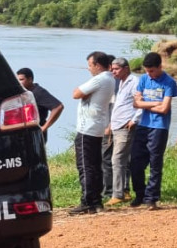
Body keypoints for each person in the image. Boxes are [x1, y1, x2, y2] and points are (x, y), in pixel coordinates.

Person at [130, 52, 177, 210]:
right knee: (136, 162)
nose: (149, 74)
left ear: (160, 67)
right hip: (143, 125)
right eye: (146, 70)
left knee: (155, 163)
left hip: (159, 127)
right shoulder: (144, 79)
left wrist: (145, 103)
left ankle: (151, 198)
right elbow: (135, 104)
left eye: (152, 71)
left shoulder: (169, 83)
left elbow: (164, 109)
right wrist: (154, 103)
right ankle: (140, 194)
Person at [68, 51, 115, 215]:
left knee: (85, 165)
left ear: (97, 65)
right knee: (95, 165)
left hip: (87, 128)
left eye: (90, 65)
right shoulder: (110, 78)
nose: (89, 69)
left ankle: (87, 201)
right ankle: (96, 201)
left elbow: (76, 93)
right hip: (97, 127)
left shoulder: (100, 79)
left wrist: (82, 91)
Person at [103, 57, 140, 205]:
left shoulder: (134, 82)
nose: (113, 72)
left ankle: (117, 194)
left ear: (126, 68)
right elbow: (119, 105)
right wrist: (111, 123)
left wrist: (134, 120)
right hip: (117, 125)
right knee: (121, 160)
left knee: (117, 159)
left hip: (126, 126)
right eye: (112, 69)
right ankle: (123, 192)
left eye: (116, 69)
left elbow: (140, 101)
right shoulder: (121, 82)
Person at [16, 67, 64, 141]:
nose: (19, 82)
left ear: (30, 79)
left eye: (21, 80)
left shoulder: (38, 92)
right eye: (17, 80)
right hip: (26, 133)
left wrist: (44, 127)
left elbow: (58, 107)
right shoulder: (25, 92)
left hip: (36, 134)